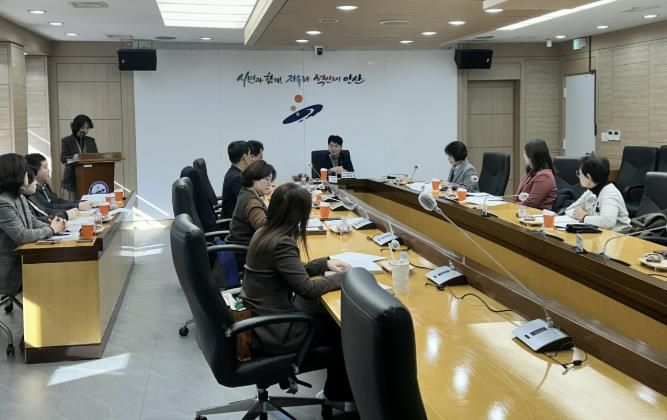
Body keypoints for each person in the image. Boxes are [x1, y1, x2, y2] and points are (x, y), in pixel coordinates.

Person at [241, 183, 354, 404]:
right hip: (274, 331)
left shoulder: (264, 233)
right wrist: (346, 277)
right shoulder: (282, 242)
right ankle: (338, 396)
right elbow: (307, 289)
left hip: (260, 319)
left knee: (327, 318)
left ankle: (340, 393)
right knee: (344, 331)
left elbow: (289, 269)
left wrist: (324, 263)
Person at [0, 153, 66, 298]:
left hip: (23, 259)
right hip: (10, 269)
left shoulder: (18, 197)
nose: (28, 175)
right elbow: (22, 235)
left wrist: (53, 225)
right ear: (15, 175)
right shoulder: (3, 203)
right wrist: (51, 230)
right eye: (24, 171)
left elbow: (32, 221)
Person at [565, 155, 631, 232]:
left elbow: (607, 222)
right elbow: (569, 209)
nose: (579, 176)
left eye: (579, 173)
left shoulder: (610, 193)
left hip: (619, 235)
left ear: (588, 177)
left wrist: (584, 217)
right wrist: (580, 215)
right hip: (600, 233)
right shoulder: (591, 191)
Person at [26, 153, 93, 219]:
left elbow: (57, 201)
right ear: (34, 171)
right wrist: (75, 207)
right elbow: (48, 207)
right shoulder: (33, 191)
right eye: (45, 167)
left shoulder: (44, 185)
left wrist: (80, 203)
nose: (49, 170)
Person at [226, 160, 275, 246]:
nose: (269, 184)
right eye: (266, 179)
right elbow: (264, 227)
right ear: (254, 178)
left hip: (243, 244)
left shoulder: (246, 191)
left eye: (270, 180)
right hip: (246, 249)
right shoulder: (252, 201)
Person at [60, 114, 98, 199]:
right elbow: (63, 158)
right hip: (72, 177)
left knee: (89, 201)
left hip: (90, 175)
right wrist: (73, 158)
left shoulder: (91, 141)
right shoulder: (67, 140)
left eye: (87, 128)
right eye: (83, 128)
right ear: (76, 127)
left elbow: (97, 157)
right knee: (73, 201)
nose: (85, 130)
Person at [515, 139, 557, 210]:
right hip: (523, 211)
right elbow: (518, 196)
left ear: (532, 156)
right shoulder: (531, 171)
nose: (523, 156)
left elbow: (531, 203)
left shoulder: (545, 176)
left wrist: (510, 206)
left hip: (536, 213)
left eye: (525, 153)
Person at [221, 141, 252, 219]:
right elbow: (247, 203)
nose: (251, 158)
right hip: (234, 222)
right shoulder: (236, 178)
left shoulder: (234, 173)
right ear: (245, 157)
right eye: (250, 155)